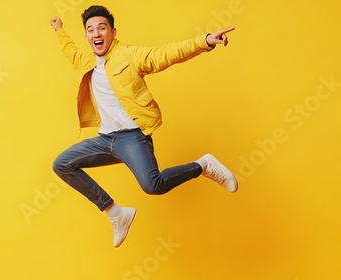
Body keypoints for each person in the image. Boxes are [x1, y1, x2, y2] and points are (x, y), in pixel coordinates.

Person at [50, 5, 238, 248]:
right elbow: (71, 52)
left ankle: (203, 165)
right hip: (106, 140)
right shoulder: (87, 61)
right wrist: (59, 30)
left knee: (153, 185)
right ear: (87, 36)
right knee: (62, 164)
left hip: (131, 137)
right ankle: (115, 212)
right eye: (90, 30)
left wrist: (205, 41)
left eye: (102, 28)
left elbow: (166, 54)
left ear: (113, 32)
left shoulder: (129, 55)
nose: (96, 33)